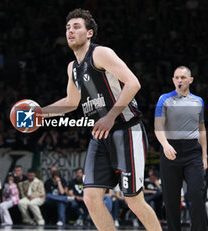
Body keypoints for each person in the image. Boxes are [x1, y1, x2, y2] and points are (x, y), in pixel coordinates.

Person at [40, 8, 161, 230]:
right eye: (68, 27)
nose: (70, 31)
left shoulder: (101, 53)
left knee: (133, 200)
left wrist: (111, 115)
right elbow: (71, 102)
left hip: (126, 130)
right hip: (100, 136)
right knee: (91, 198)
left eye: (76, 27)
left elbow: (133, 83)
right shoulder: (72, 68)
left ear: (90, 33)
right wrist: (40, 113)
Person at [154, 65, 208, 231]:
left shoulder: (199, 101)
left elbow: (202, 129)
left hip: (193, 152)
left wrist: (204, 156)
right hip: (171, 150)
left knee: (197, 194)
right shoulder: (164, 99)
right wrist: (165, 145)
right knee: (171, 199)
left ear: (190, 80)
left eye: (183, 77)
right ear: (173, 80)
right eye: (176, 77)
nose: (179, 80)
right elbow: (158, 127)